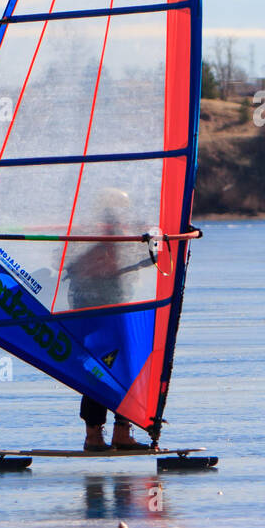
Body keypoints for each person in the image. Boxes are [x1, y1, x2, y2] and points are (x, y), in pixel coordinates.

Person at [63, 188, 151, 451]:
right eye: (115, 208)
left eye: (122, 208)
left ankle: (122, 431)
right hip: (91, 303)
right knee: (101, 366)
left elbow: (137, 257)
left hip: (115, 301)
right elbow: (66, 260)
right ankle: (94, 434)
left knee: (125, 363)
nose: (119, 213)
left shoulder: (120, 230)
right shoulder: (92, 230)